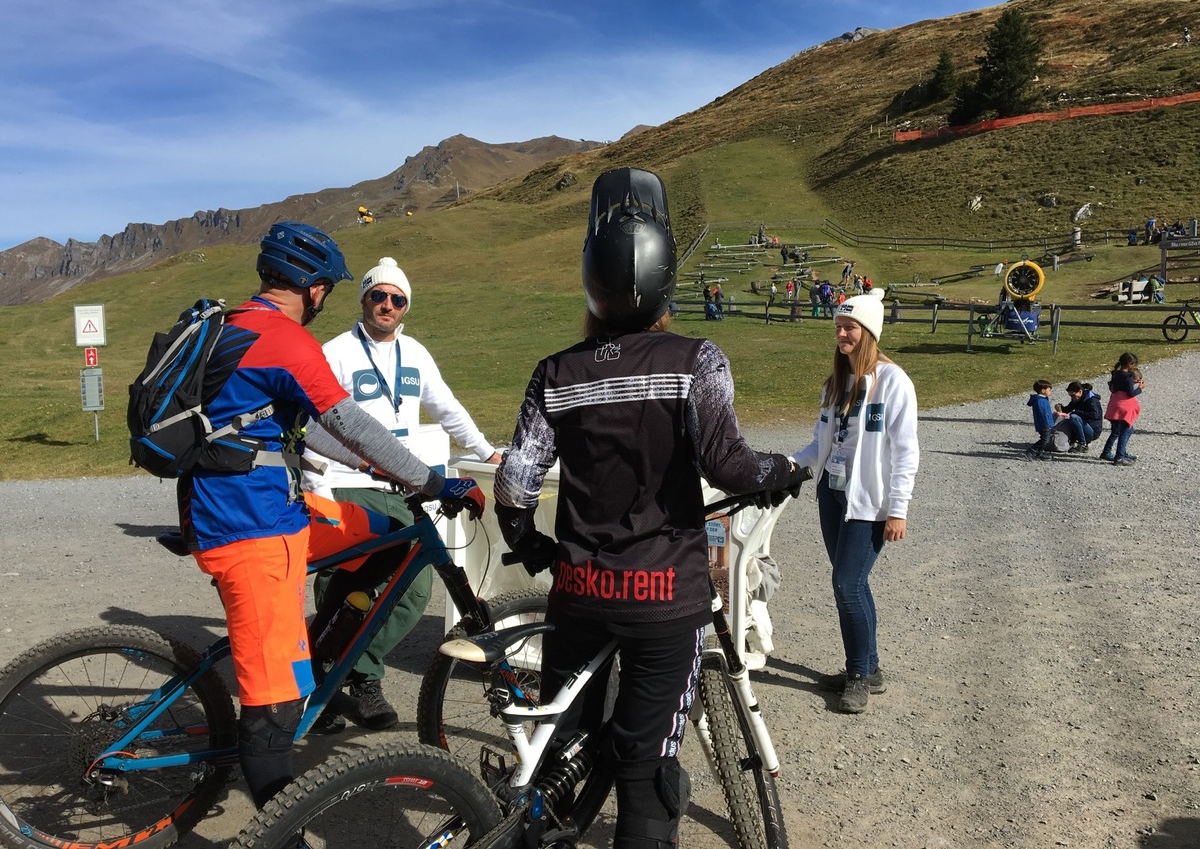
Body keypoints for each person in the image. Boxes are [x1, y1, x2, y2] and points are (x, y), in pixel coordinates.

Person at [493, 168, 806, 849]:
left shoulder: (556, 372)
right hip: (664, 600)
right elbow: (731, 466)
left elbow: (515, 487)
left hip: (579, 593)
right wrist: (783, 470)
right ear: (668, 281)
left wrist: (535, 547)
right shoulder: (697, 361)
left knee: (560, 751)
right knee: (647, 769)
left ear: (591, 281)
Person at [176, 221, 484, 810]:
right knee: (273, 722)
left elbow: (314, 431)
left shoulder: (238, 325)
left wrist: (386, 472)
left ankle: (332, 660)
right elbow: (351, 423)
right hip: (251, 532)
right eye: (331, 289)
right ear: (312, 286)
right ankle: (281, 818)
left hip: (275, 511)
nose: (329, 300)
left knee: (395, 537)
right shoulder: (286, 340)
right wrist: (430, 478)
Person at [304, 257, 502, 733]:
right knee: (344, 588)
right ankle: (334, 686)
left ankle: (354, 670)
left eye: (397, 298)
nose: (386, 305)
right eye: (378, 295)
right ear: (364, 300)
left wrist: (486, 451)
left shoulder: (416, 353)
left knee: (415, 590)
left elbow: (447, 408)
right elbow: (310, 422)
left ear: (406, 306)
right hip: (349, 483)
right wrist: (318, 487)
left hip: (403, 484)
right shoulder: (336, 352)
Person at [791, 289, 919, 714]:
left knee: (846, 585)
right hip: (832, 495)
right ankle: (870, 667)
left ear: (869, 332)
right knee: (853, 584)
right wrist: (782, 465)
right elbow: (819, 445)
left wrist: (898, 508)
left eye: (850, 327)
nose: (842, 334)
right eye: (839, 327)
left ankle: (857, 676)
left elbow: (905, 451)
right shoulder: (836, 383)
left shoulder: (894, 382)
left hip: (869, 504)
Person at [1101, 352, 1144, 465]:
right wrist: (1140, 388)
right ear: (1131, 364)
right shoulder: (1128, 376)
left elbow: (1114, 388)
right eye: (1134, 365)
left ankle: (1106, 452)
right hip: (1123, 408)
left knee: (1115, 431)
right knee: (1126, 430)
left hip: (1114, 405)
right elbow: (1130, 393)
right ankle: (1119, 457)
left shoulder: (1116, 373)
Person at [1059, 380, 1103, 452]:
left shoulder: (1091, 400)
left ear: (1080, 391)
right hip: (1084, 426)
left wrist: (1077, 412)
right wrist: (1060, 408)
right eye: (1071, 396)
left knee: (1074, 417)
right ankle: (1071, 441)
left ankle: (1082, 444)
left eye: (1073, 395)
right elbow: (1067, 410)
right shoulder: (1076, 399)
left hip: (1093, 430)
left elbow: (1095, 415)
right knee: (1070, 417)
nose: (1072, 398)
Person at [1024, 379, 1056, 460]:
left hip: (1044, 424)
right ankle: (1031, 451)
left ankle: (1039, 453)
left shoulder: (1042, 399)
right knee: (1045, 440)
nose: (1050, 392)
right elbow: (1044, 414)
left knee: (1045, 440)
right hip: (1044, 425)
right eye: (1049, 390)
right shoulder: (1040, 401)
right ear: (1043, 390)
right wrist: (1047, 425)